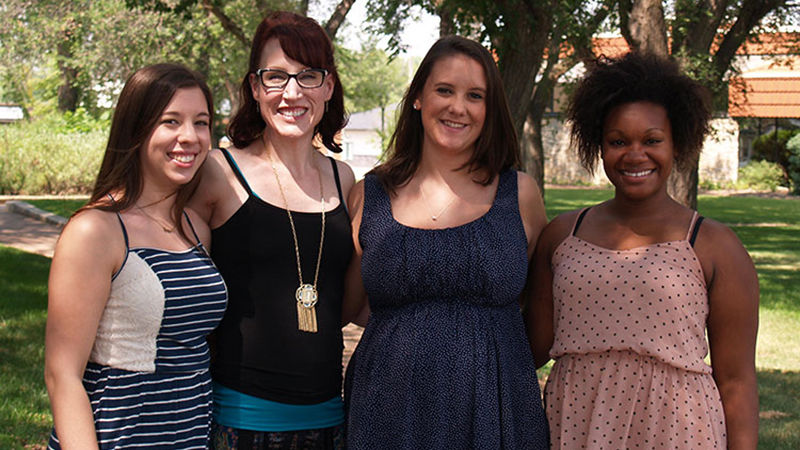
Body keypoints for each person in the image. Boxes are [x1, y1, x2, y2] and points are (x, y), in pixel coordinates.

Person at [526, 52, 759, 448]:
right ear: (599, 145)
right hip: (580, 427)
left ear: (677, 144)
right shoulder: (563, 235)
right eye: (619, 141)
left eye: (652, 140)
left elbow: (736, 381)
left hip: (677, 431)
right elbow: (531, 348)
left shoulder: (714, 246)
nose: (635, 155)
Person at [342, 36, 550, 449]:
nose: (458, 107)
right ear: (418, 97)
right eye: (444, 90)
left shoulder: (519, 194)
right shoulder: (371, 195)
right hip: (389, 409)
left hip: (497, 408)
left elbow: (537, 306)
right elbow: (349, 305)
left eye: (475, 95)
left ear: (489, 110)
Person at [187, 11, 354, 449]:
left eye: (308, 76)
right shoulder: (218, 172)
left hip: (330, 420)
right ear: (255, 88)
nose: (292, 93)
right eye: (276, 77)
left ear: (329, 86)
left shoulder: (345, 179)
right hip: (240, 423)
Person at [44, 63, 227, 449]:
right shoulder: (96, 230)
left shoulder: (195, 228)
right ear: (137, 127)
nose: (189, 137)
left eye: (201, 122)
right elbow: (62, 375)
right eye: (170, 121)